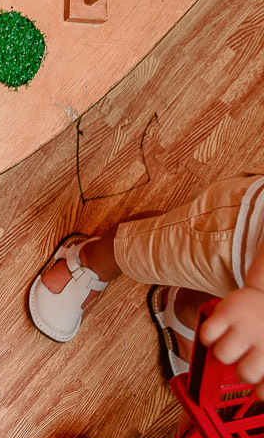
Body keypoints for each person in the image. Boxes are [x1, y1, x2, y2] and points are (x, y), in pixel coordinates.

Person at [27, 169, 264, 398]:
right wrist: (259, 291)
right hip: (241, 235)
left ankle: (185, 307)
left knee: (225, 292)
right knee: (151, 244)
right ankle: (93, 259)